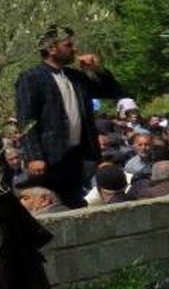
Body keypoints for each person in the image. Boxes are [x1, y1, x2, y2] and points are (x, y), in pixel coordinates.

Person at [14, 25, 123, 208]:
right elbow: (26, 118)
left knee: (75, 203)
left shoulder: (76, 77)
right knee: (49, 205)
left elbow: (113, 92)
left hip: (78, 155)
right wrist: (34, 156)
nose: (74, 49)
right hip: (49, 157)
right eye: (68, 45)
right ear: (51, 48)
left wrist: (97, 70)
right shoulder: (31, 77)